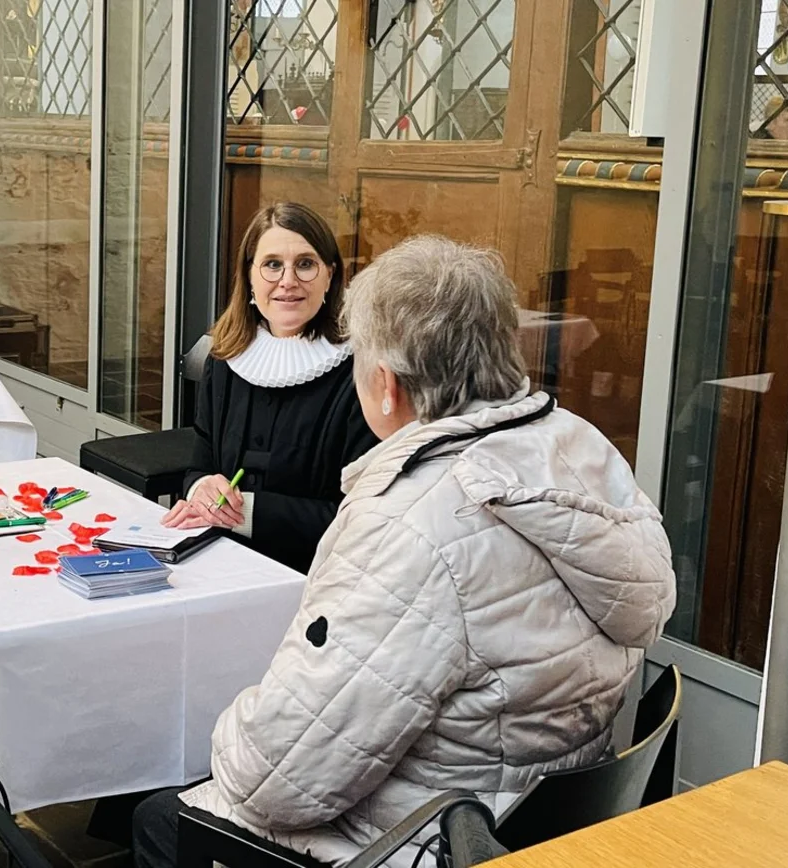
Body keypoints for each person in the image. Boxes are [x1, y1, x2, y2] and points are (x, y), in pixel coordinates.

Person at [133, 236, 677, 868]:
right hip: (538, 815)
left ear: (386, 385)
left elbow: (276, 785)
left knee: (161, 818)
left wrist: (226, 727)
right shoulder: (577, 446)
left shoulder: (412, 521)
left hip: (430, 836)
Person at [161, 202, 377, 573]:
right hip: (220, 560)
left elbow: (360, 518)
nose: (288, 281)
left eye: (305, 264)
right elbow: (200, 463)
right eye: (272, 265)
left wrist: (243, 511)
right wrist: (201, 489)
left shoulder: (363, 372)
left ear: (330, 275)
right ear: (249, 277)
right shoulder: (226, 358)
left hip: (315, 576)